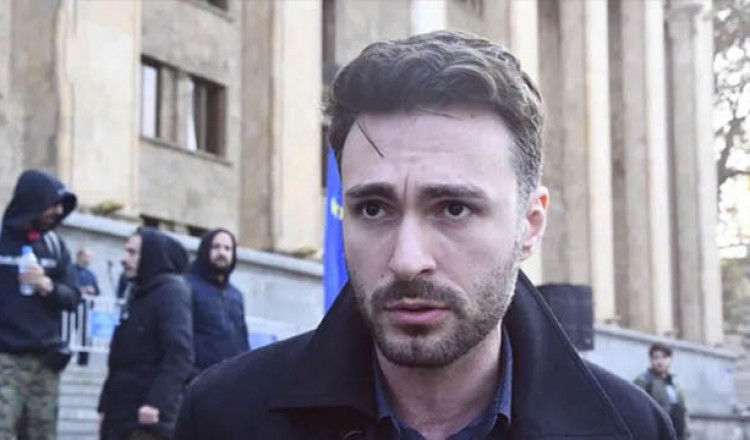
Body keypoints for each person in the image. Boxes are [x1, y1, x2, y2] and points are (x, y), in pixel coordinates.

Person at [174, 31, 676, 439]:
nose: (407, 259)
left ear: (530, 224)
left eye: (453, 209)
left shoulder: (632, 428)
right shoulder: (224, 416)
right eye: (373, 208)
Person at [0, 169, 81, 439]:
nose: (58, 211)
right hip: (5, 360)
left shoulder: (55, 246)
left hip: (44, 363)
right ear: (33, 201)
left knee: (42, 433)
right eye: (53, 204)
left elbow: (73, 297)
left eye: (61, 206)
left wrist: (48, 286)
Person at [98, 227, 194, 440]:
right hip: (120, 412)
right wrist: (105, 407)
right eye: (126, 251)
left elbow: (179, 354)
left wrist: (156, 402)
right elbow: (119, 358)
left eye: (132, 252)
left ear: (151, 255)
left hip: (147, 418)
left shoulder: (171, 292)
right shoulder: (136, 292)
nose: (124, 259)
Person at [185, 229, 249, 374]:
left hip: (231, 377)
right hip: (198, 377)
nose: (222, 253)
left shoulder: (235, 296)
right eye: (216, 247)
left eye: (227, 248)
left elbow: (242, 340)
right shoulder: (186, 286)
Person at [635, 343, 690, 439]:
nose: (659, 361)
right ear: (650, 360)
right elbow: (637, 409)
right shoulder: (644, 381)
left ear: (670, 359)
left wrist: (686, 433)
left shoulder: (675, 385)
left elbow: (684, 411)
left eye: (664, 357)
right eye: (656, 357)